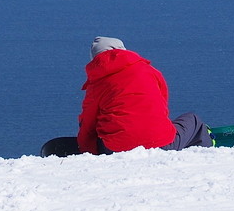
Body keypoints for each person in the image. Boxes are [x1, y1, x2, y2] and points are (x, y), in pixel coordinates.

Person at [77, 36, 214, 155]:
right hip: (161, 145)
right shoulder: (149, 71)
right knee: (193, 120)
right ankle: (206, 154)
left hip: (116, 150)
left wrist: (86, 150)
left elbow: (87, 123)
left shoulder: (96, 84)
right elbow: (162, 105)